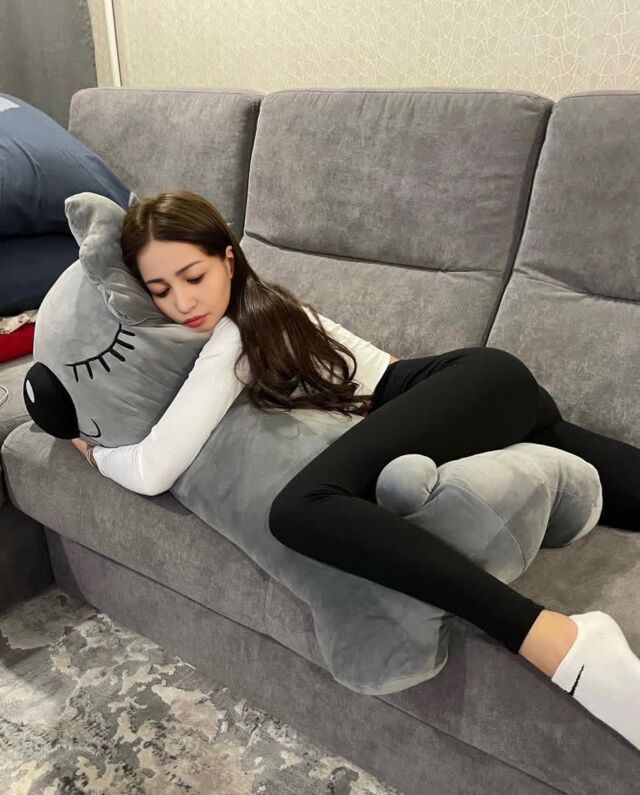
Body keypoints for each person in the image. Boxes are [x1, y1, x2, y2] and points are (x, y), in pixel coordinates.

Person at [71, 190, 640, 751]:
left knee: (301, 509)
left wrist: (93, 450)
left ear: (228, 258)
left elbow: (153, 469)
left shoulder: (235, 335)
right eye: (160, 291)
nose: (182, 302)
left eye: (193, 277)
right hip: (482, 403)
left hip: (478, 384)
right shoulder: (264, 314)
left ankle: (555, 639)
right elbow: (374, 374)